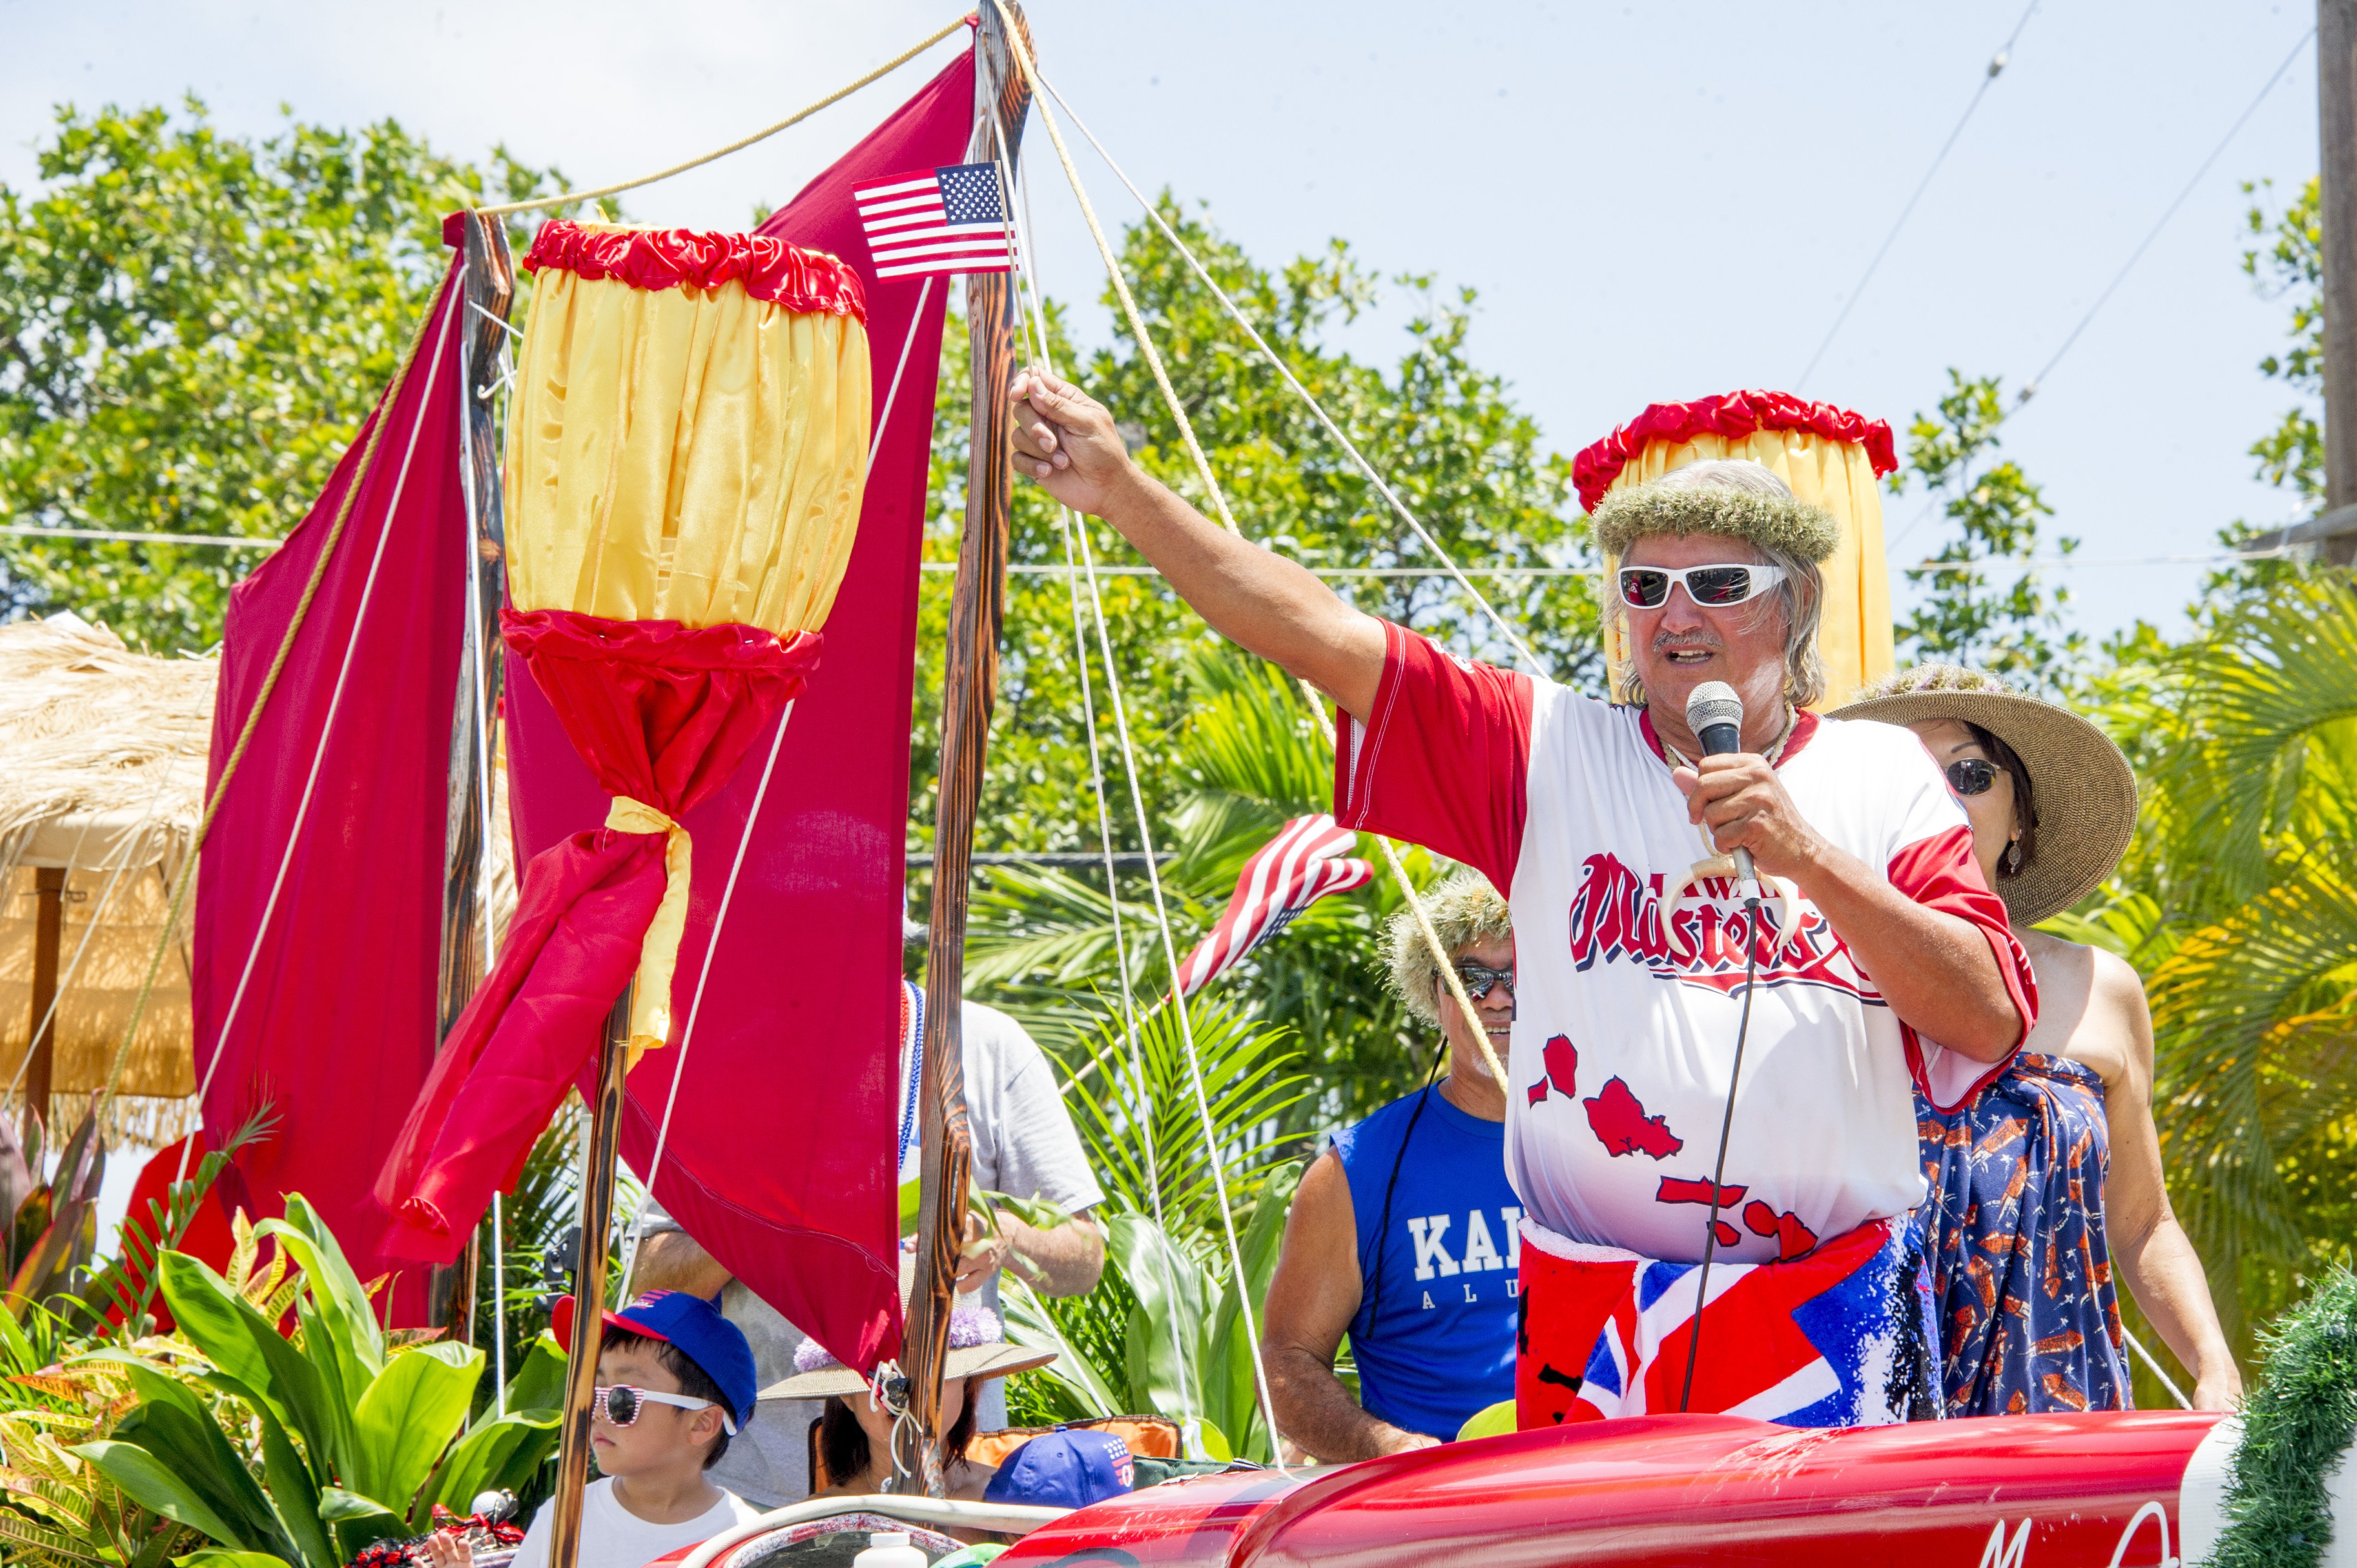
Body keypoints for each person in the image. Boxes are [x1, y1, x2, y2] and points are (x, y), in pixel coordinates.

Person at [1008, 370, 2039, 1430]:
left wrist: (1808, 857)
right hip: (1590, 1321)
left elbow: (1986, 1016)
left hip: (1827, 1310)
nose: (1675, 614)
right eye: (1642, 589)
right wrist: (1122, 491)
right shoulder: (1545, 749)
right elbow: (1316, 633)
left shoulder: (1881, 773)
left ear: (1797, 603)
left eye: (1718, 583)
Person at [1845, 663, 2241, 1412]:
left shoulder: (2104, 988)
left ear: (2022, 815)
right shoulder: (1812, 973)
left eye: (1968, 772)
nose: (1941, 795)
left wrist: (2215, 1366)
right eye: (1910, 774)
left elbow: (2143, 1221)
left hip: (2059, 1400)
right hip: (1870, 1396)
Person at [632, 925, 1107, 1505]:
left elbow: (1085, 1259)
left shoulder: (986, 1048)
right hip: (759, 1490)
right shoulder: (727, 1066)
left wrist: (1002, 1235)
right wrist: (774, 1224)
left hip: (946, 1475)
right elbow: (652, 1278)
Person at [1262, 872, 1521, 1459]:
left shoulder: (1613, 1143)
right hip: (1433, 1510)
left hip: (1601, 1492)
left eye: (1517, 976)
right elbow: (1285, 1363)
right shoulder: (1356, 1173)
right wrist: (1385, 1448)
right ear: (1436, 996)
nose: (1498, 998)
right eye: (1471, 979)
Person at [429, 1290, 763, 1568]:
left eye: (622, 1399)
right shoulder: (565, 1516)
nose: (598, 1413)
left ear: (702, 1423)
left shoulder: (746, 1542)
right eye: (594, 1391)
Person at [765, 1289, 1053, 1503]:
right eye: (883, 1374)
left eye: (930, 1370)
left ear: (966, 1383)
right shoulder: (814, 1526)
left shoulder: (1017, 1505)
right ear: (846, 1396)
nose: (905, 1390)